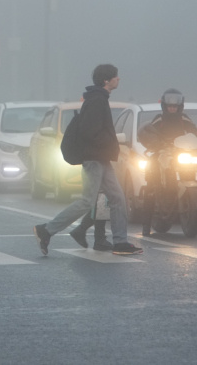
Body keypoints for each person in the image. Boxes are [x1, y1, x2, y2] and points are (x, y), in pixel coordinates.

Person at [33, 64, 143, 256]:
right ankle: (46, 230)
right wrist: (108, 144)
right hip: (94, 159)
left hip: (101, 158)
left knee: (118, 198)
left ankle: (120, 242)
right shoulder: (97, 100)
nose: (119, 79)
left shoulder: (99, 98)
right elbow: (89, 131)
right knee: (87, 201)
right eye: (116, 77)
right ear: (106, 80)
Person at [137, 88, 197, 236]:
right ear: (165, 106)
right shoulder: (159, 120)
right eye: (169, 106)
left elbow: (195, 131)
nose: (172, 109)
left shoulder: (184, 119)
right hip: (163, 153)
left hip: (181, 153)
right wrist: (156, 143)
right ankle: (146, 225)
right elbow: (148, 132)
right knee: (151, 188)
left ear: (180, 107)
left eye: (175, 106)